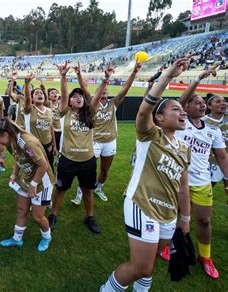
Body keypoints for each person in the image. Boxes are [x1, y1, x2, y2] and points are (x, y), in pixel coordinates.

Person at [100, 57, 191, 292]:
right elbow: (144, 110)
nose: (182, 112)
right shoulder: (150, 136)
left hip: (168, 215)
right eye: (175, 109)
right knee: (141, 266)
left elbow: (183, 186)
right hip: (143, 206)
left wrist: (184, 219)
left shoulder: (183, 148)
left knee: (149, 265)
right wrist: (168, 76)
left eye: (183, 110)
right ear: (159, 118)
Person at [173, 68, 228, 279]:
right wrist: (197, 79)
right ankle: (173, 246)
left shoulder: (212, 130)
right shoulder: (181, 123)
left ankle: (205, 257)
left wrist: (227, 178)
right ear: (185, 107)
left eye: (202, 103)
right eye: (196, 102)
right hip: (178, 180)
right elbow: (182, 97)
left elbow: (222, 156)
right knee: (177, 216)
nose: (201, 105)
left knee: (204, 221)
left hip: (202, 181)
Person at [47, 62, 111, 234]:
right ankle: (53, 216)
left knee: (87, 191)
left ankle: (89, 217)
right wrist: (63, 76)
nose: (78, 98)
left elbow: (96, 97)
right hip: (67, 160)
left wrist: (105, 79)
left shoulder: (90, 113)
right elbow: (63, 93)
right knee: (60, 190)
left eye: (81, 96)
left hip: (87, 161)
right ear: (69, 100)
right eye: (75, 96)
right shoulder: (64, 112)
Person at [72, 62, 142, 204]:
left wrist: (134, 72)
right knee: (87, 171)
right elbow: (85, 89)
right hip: (94, 142)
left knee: (104, 171)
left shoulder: (113, 104)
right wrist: (79, 74)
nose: (104, 92)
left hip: (110, 142)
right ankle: (80, 194)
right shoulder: (92, 102)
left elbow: (125, 89)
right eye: (102, 90)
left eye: (106, 91)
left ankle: (99, 188)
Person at [0, 118, 55, 252]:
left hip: (42, 182)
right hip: (25, 180)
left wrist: (33, 185)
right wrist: (14, 174)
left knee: (37, 217)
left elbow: (43, 165)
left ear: (5, 134)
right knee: (21, 210)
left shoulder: (28, 143)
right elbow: (17, 158)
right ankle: (17, 239)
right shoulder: (11, 141)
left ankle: (47, 236)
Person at [23, 74, 56, 172]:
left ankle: (48, 187)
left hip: (48, 146)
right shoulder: (29, 109)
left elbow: (51, 128)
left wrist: (54, 145)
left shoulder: (49, 111)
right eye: (36, 93)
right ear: (32, 98)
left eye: (41, 93)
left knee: (49, 169)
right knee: (35, 170)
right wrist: (27, 83)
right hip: (34, 146)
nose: (40, 94)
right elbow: (27, 98)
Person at [202, 93, 227, 189]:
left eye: (224, 101)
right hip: (210, 163)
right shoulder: (202, 122)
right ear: (209, 106)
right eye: (218, 102)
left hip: (225, 160)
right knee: (206, 189)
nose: (223, 103)